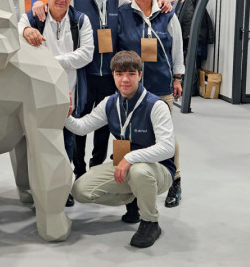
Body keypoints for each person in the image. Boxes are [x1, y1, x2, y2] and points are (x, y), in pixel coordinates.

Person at [32, 0, 172, 181]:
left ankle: (97, 166)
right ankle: (79, 171)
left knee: (107, 126)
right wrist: (39, 3)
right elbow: (53, 4)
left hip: (111, 74)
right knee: (80, 120)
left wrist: (160, 1)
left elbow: (140, 6)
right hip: (84, 74)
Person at [67, 50, 175, 248]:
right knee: (80, 190)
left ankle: (150, 222)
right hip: (125, 167)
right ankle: (135, 198)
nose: (125, 79)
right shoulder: (110, 103)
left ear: (140, 75)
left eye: (131, 74)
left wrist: (131, 158)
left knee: (139, 170)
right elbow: (82, 128)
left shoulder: (156, 105)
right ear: (113, 75)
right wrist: (65, 114)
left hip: (157, 170)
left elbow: (167, 148)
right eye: (119, 74)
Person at [18, 0, 94, 207]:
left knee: (65, 143)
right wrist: (25, 31)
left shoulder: (80, 21)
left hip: (66, 92)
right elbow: (18, 30)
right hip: (35, 92)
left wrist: (50, 61)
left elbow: (87, 54)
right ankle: (36, 188)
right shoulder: (33, 17)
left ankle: (63, 188)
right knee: (35, 141)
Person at [117, 0, 184, 208]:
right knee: (129, 133)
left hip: (160, 85)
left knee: (164, 135)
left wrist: (178, 77)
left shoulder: (167, 14)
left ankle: (174, 180)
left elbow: (177, 47)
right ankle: (127, 180)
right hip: (129, 88)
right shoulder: (122, 14)